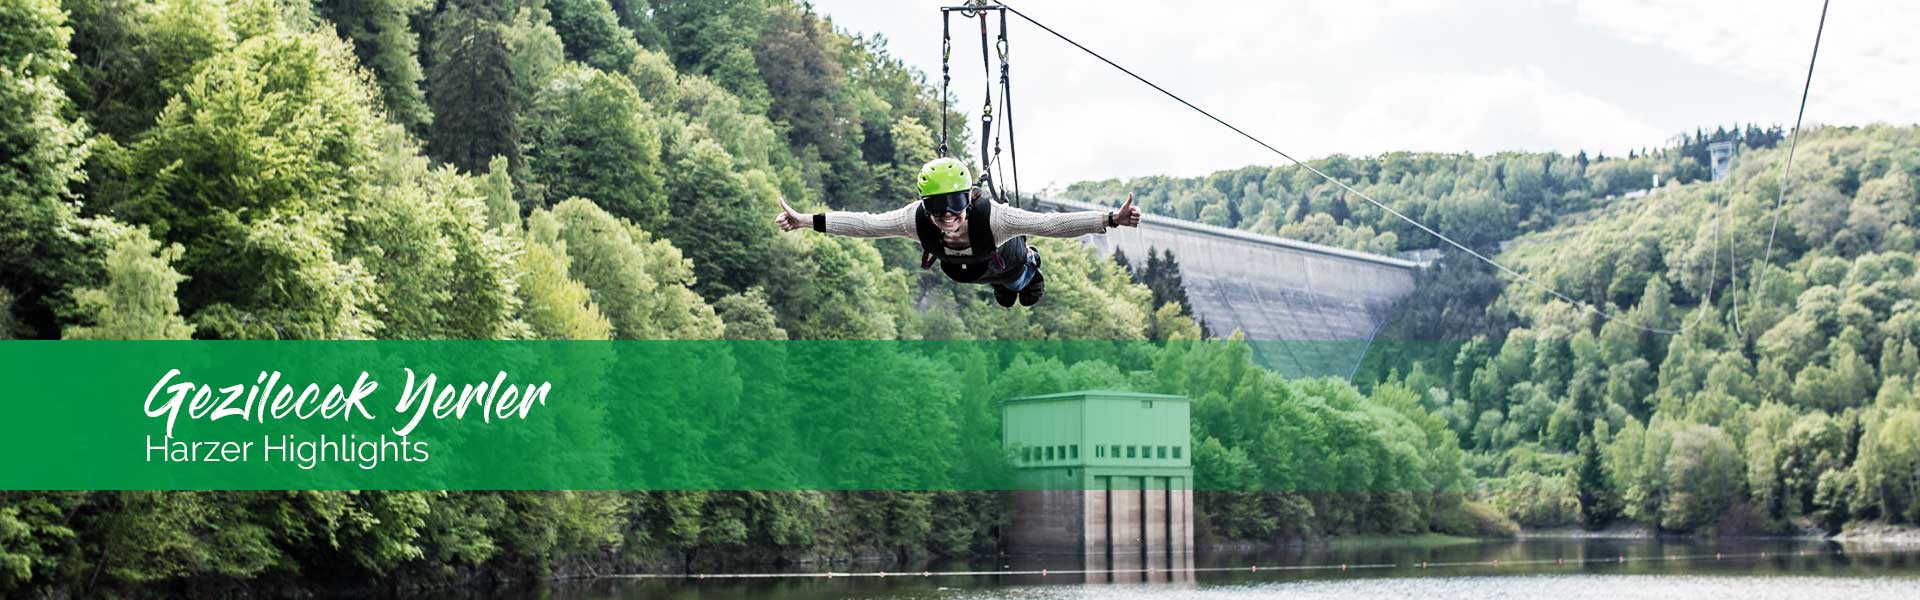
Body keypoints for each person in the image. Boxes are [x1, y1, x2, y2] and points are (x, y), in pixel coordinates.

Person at [776, 157, 1142, 307]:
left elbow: (1051, 225)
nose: (947, 215)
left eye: (954, 203)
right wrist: (805, 220)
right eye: (937, 206)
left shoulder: (996, 219)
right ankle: (1002, 285)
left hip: (1008, 261)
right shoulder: (915, 221)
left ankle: (1031, 265)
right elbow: (866, 225)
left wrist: (1111, 218)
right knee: (992, 288)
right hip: (967, 271)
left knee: (1022, 290)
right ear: (925, 205)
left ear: (968, 198)